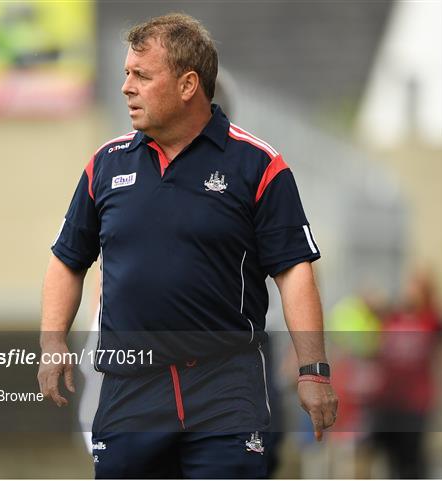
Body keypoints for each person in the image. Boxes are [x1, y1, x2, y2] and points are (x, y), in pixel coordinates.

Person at [38, 13, 338, 479]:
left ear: (187, 85)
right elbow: (66, 260)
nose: (126, 88)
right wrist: (53, 340)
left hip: (225, 388)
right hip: (128, 390)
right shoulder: (104, 165)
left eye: (142, 75)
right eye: (125, 74)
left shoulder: (259, 166)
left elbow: (295, 271)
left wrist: (312, 370)